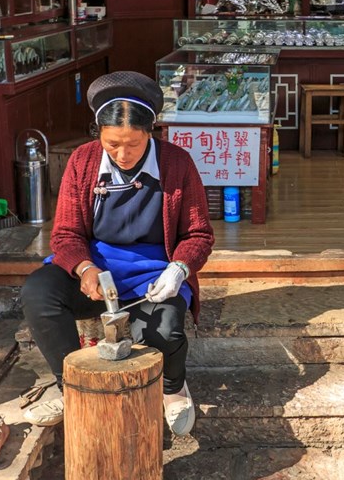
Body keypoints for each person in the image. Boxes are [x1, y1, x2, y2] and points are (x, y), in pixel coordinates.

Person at [20, 72, 214, 435]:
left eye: (133, 144)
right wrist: (83, 268)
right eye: (112, 144)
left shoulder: (177, 163)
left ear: (150, 132)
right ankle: (71, 387)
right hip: (97, 266)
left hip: (155, 270)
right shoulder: (83, 161)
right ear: (98, 134)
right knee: (38, 294)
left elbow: (198, 234)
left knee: (164, 330)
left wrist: (179, 268)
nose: (122, 155)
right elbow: (65, 234)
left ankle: (173, 389)